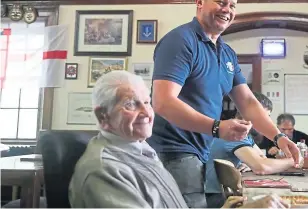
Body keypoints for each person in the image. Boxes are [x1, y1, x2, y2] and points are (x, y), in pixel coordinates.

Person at [148, 0, 300, 207]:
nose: (227, 10)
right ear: (199, 2)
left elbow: (247, 101)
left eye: (232, 5)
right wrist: (217, 127)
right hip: (173, 152)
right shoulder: (181, 41)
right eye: (221, 2)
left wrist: (278, 137)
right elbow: (163, 102)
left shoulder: (226, 53)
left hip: (200, 151)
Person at [68, 71, 289, 209]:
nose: (147, 113)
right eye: (130, 104)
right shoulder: (105, 170)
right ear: (102, 116)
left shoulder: (141, 150)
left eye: (147, 102)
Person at [205, 92, 296, 208]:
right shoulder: (235, 133)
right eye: (264, 117)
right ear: (248, 112)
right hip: (214, 200)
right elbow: (262, 167)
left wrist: (250, 162)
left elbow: (261, 159)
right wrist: (294, 160)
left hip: (218, 195)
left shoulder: (241, 132)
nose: (267, 122)